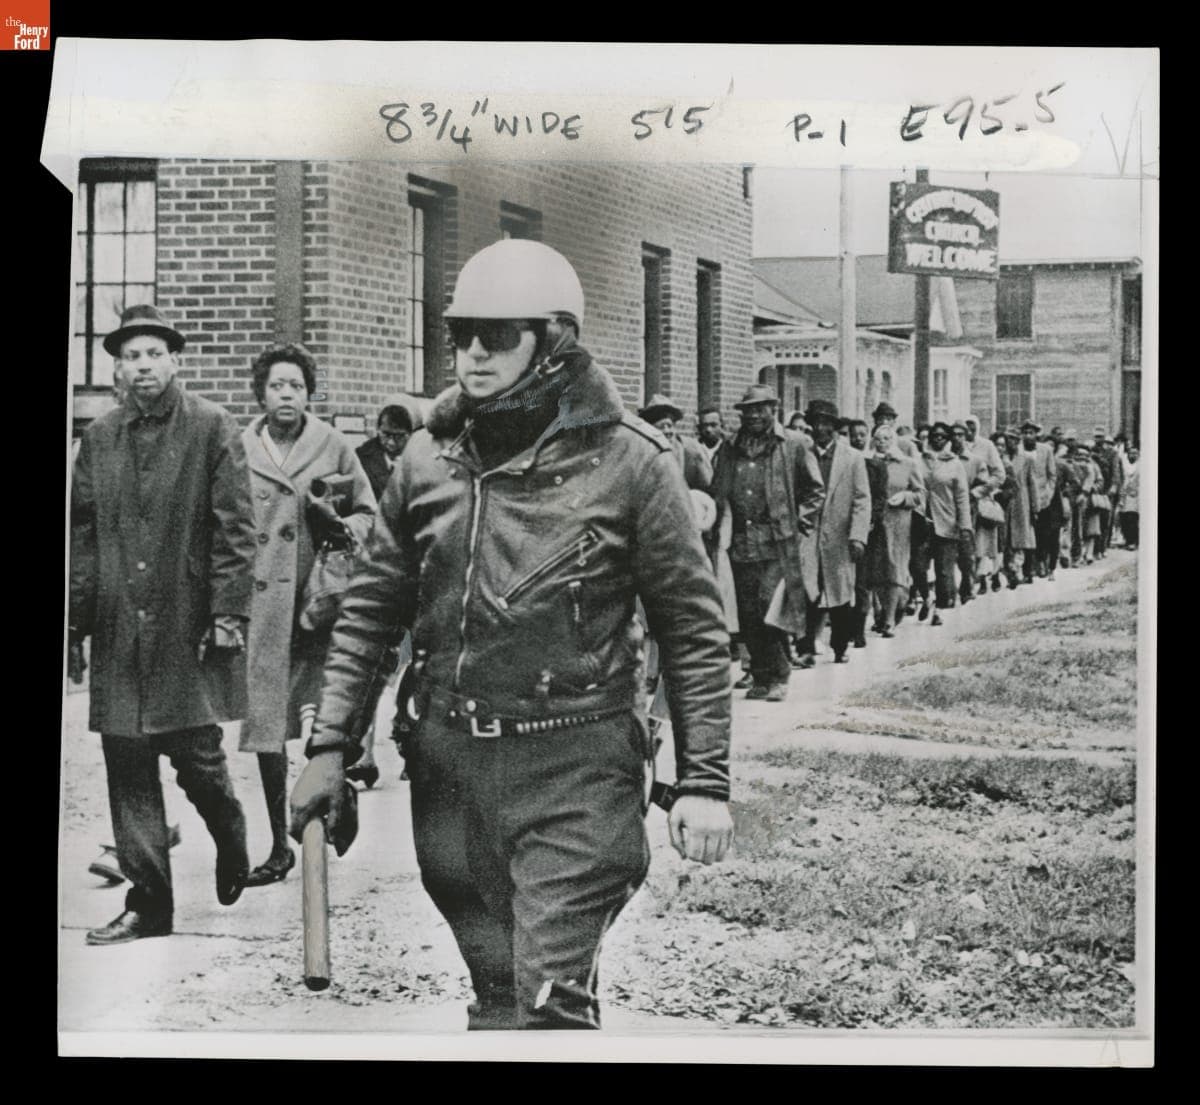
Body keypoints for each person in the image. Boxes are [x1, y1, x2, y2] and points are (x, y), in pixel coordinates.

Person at [288, 239, 734, 1031]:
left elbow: (694, 631)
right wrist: (331, 746)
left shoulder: (633, 462)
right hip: (451, 774)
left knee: (546, 1003)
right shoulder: (426, 459)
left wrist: (703, 780)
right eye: (461, 334)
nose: (471, 354)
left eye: (497, 336)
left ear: (554, 341)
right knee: (499, 997)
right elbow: (370, 610)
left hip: (578, 767)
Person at [68, 304, 256, 945]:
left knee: (196, 757)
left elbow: (237, 528)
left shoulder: (212, 427)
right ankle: (150, 902)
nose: (141, 366)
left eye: (153, 353)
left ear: (174, 359)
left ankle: (229, 830)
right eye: (129, 356)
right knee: (126, 759)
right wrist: (75, 622)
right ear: (116, 368)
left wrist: (229, 613)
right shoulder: (99, 438)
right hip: (119, 627)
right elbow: (83, 537)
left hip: (186, 623)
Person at [239, 343, 378, 887]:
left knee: (323, 718)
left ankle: (333, 796)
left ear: (309, 393)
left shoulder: (334, 444)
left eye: (296, 386)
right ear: (262, 393)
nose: (287, 396)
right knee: (268, 726)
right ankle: (278, 846)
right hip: (264, 607)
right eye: (277, 386)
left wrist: (336, 521)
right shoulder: (241, 446)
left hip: (319, 601)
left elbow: (371, 514)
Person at [712, 384, 825, 700]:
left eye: (760, 409)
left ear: (773, 410)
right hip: (740, 541)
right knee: (747, 612)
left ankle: (779, 674)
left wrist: (801, 518)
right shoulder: (731, 446)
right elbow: (717, 489)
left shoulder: (794, 444)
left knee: (768, 606)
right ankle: (760, 676)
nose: (754, 416)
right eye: (748, 410)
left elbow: (815, 490)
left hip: (777, 542)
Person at [794, 399, 870, 665]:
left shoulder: (852, 459)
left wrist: (858, 535)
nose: (821, 428)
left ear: (835, 428)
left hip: (840, 534)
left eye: (827, 423)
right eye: (817, 423)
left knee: (839, 592)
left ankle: (839, 646)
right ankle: (805, 648)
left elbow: (862, 499)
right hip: (808, 532)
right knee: (807, 588)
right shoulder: (802, 454)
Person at [863, 425, 926, 637]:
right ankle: (881, 613)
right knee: (874, 569)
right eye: (878, 438)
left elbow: (920, 494)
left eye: (887, 438)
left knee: (894, 568)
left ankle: (889, 619)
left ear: (895, 440)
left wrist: (905, 497)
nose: (882, 442)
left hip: (898, 522)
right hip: (873, 522)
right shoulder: (866, 463)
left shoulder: (907, 464)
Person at [922, 422, 972, 626]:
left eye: (942, 436)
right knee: (917, 565)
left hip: (946, 519)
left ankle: (940, 609)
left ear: (948, 440)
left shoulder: (954, 463)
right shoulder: (919, 460)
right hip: (922, 521)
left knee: (944, 568)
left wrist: (965, 525)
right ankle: (926, 596)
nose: (937, 439)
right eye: (934, 435)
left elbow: (961, 496)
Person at [638, 393, 713, 491]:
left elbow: (708, 487)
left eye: (669, 426)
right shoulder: (643, 451)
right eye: (661, 427)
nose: (667, 431)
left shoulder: (691, 450)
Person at [1023, 420, 1059, 580]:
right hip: (1026, 497)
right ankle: (1033, 565)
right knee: (1030, 532)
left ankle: (1046, 563)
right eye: (1025, 433)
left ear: (1036, 434)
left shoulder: (1046, 450)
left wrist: (1049, 493)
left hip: (1045, 497)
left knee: (1046, 532)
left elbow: (1052, 475)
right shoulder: (1019, 451)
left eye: (1031, 433)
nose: (1028, 436)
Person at [356, 404, 414, 501]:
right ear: (378, 430)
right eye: (386, 434)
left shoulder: (419, 458)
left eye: (398, 436)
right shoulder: (362, 457)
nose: (391, 442)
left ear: (409, 435)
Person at [1004, 425, 1039, 585]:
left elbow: (1032, 483)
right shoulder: (1001, 458)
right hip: (1005, 501)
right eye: (1007, 439)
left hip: (1021, 501)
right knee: (1006, 537)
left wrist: (1035, 506)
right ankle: (1008, 569)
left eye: (1013, 439)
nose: (1009, 442)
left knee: (1021, 538)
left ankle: (1019, 569)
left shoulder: (1026, 459)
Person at [1118, 445, 1140, 550]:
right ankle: (1126, 539)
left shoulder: (1141, 466)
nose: (1133, 455)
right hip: (1124, 494)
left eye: (1135, 453)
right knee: (1123, 518)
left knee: (1132, 517)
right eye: (1131, 453)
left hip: (1136, 495)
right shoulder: (1124, 465)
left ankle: (1133, 541)